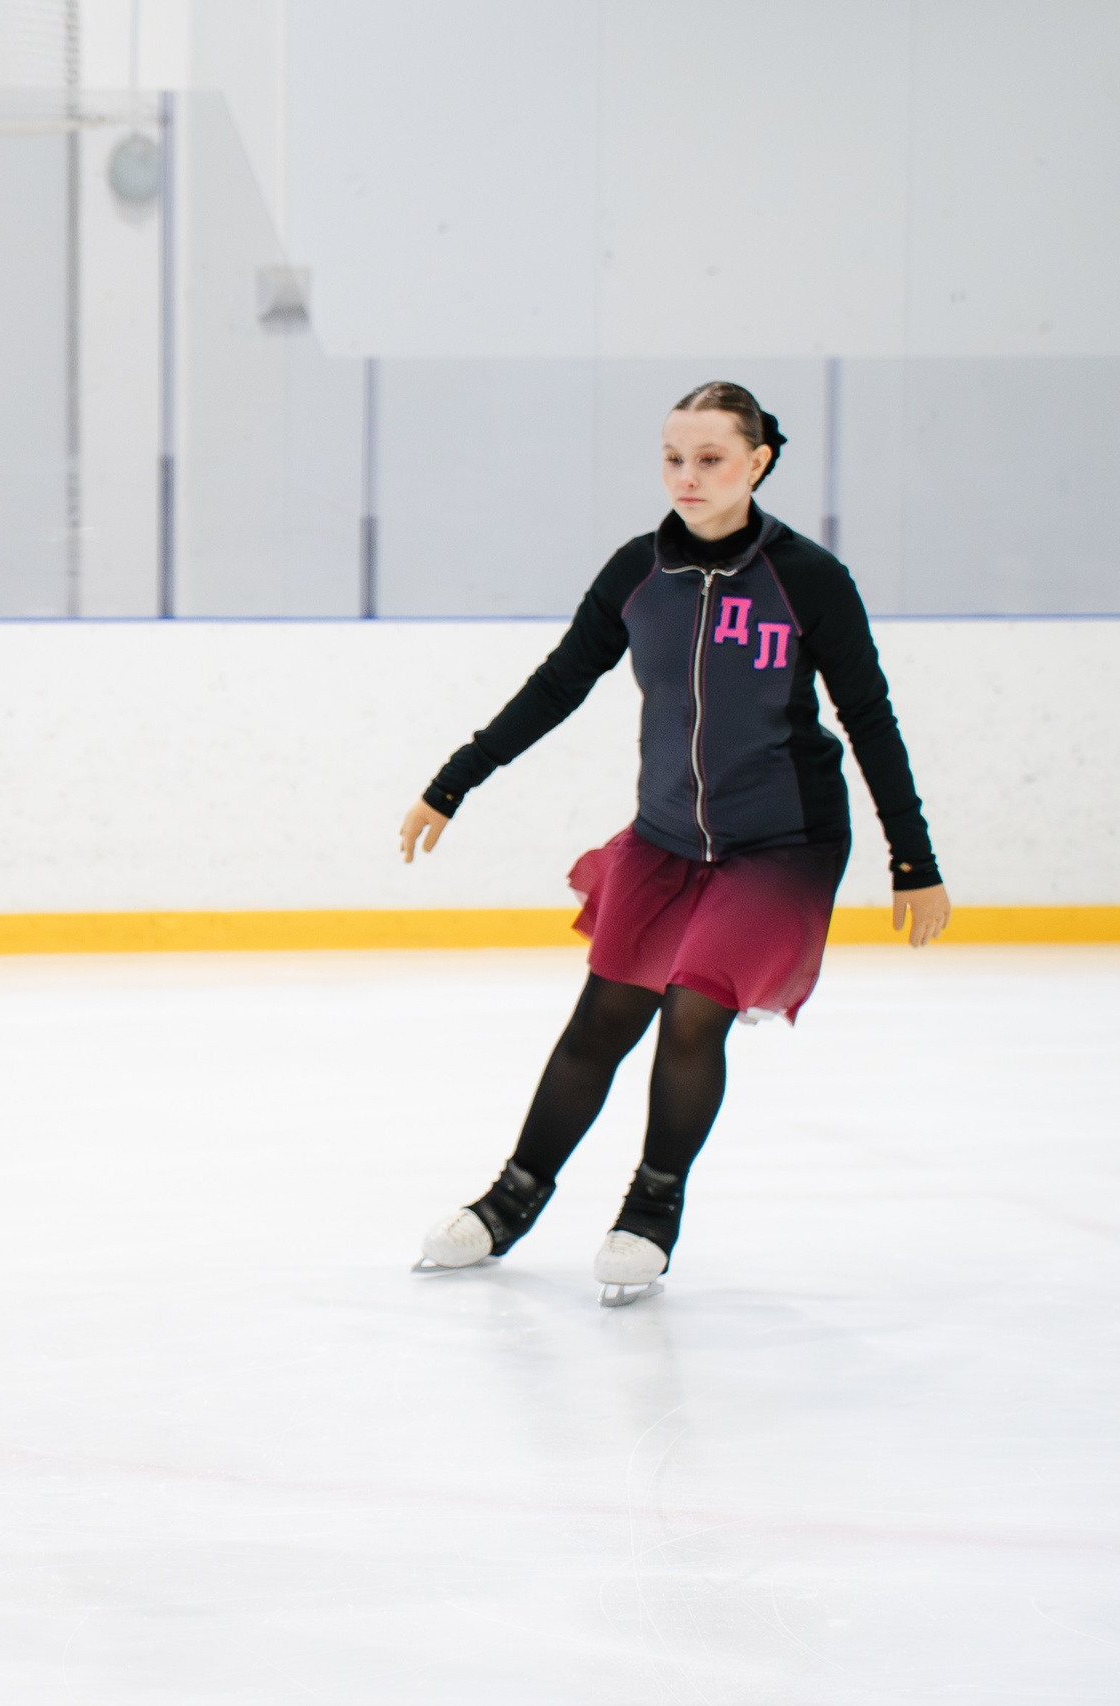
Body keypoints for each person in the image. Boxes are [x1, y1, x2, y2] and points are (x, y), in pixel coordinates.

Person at [400, 382, 950, 1306]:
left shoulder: (807, 579)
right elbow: (559, 682)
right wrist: (457, 776)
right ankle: (510, 1200)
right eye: (672, 459)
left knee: (697, 1004)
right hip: (666, 839)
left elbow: (869, 717)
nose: (686, 477)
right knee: (604, 1019)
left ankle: (651, 1209)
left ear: (757, 463)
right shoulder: (636, 572)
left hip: (783, 841)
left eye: (710, 459)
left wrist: (914, 857)